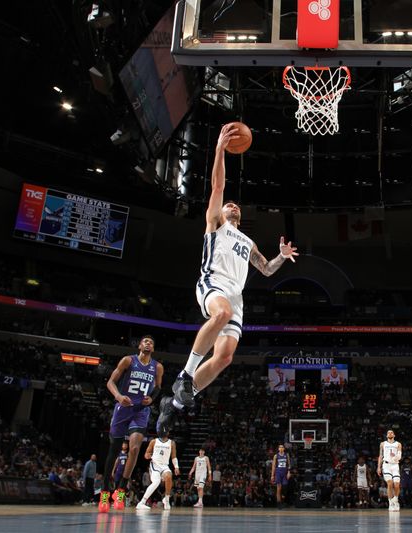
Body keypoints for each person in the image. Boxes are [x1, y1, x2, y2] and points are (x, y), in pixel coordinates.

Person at [157, 124, 299, 431]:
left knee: (224, 359)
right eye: (228, 205)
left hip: (237, 297)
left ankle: (175, 403)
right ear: (220, 213)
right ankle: (185, 375)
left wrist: (282, 257)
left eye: (236, 206)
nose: (232, 205)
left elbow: (266, 269)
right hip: (213, 282)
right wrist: (220, 150)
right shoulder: (215, 226)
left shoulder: (248, 242)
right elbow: (218, 187)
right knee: (220, 313)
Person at [100, 335, 164, 512]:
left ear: (153, 348)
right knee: (113, 451)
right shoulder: (128, 360)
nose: (148, 343)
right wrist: (119, 396)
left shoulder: (157, 367)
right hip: (123, 408)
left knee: (135, 449)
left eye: (151, 342)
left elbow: (158, 388)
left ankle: (121, 491)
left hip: (140, 411)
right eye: (145, 341)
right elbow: (111, 382)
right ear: (139, 345)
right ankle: (105, 492)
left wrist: (152, 399)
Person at [136, 427, 179, 511]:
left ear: (168, 433)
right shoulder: (154, 441)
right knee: (156, 482)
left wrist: (176, 467)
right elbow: (146, 454)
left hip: (164, 466)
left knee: (169, 476)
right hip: (155, 465)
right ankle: (141, 503)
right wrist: (148, 455)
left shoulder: (172, 443)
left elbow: (174, 457)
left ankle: (166, 500)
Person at [378, 429, 402, 511]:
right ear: (386, 435)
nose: (390, 433)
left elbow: (399, 456)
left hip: (395, 465)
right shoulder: (382, 444)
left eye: (391, 432)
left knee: (396, 484)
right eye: (388, 432)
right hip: (386, 465)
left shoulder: (398, 444)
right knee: (389, 483)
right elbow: (380, 456)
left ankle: (395, 500)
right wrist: (378, 467)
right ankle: (390, 503)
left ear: (394, 435)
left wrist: (395, 456)